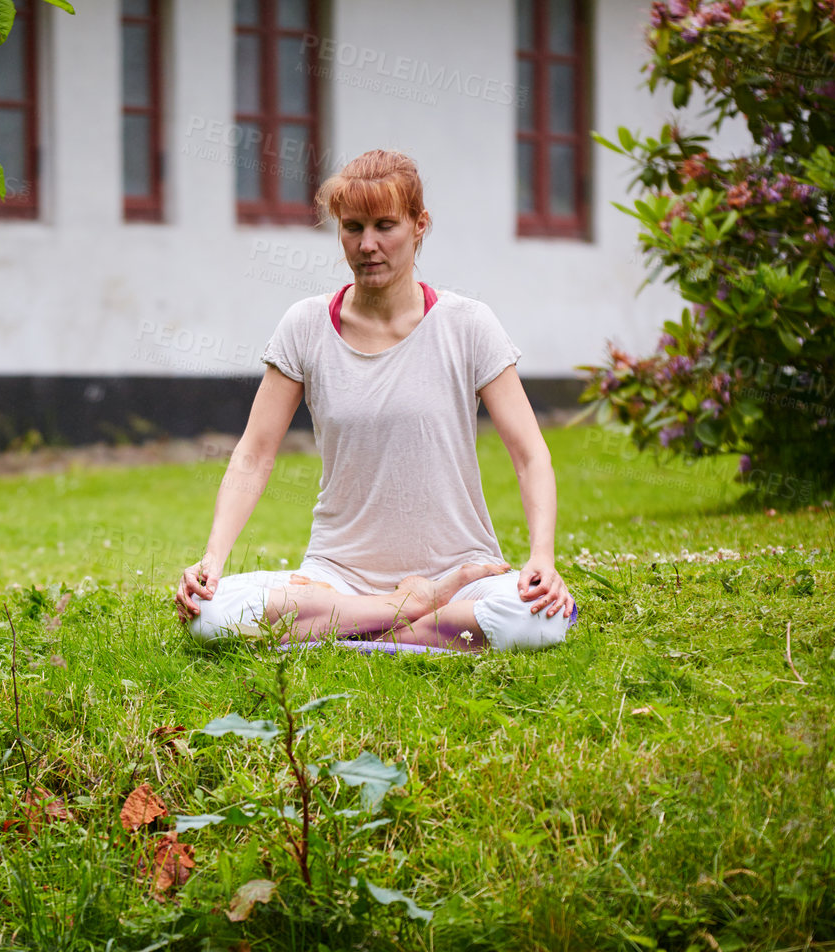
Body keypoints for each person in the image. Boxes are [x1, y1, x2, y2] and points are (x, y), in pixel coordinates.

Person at [173, 150, 575, 652]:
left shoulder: (468, 324)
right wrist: (212, 560)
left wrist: (542, 556)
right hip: (337, 575)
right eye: (352, 227)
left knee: (541, 621)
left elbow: (531, 453)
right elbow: (255, 452)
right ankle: (406, 616)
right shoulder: (305, 325)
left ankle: (340, 630)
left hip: (461, 572)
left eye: (386, 225)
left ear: (419, 224)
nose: (367, 245)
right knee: (206, 616)